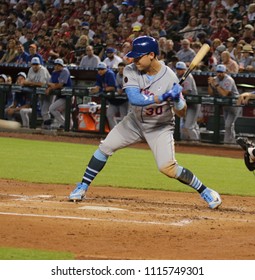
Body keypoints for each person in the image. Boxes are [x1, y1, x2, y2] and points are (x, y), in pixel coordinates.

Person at [69, 36, 222, 209]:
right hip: (133, 122)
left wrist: (178, 100)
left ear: (151, 55)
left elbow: (181, 112)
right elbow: (134, 99)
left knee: (168, 169)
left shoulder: (170, 77)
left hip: (159, 127)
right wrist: (163, 96)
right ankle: (82, 186)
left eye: (138, 57)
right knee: (105, 148)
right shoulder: (130, 70)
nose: (134, 60)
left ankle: (205, 191)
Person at [208, 64, 241, 144]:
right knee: (229, 126)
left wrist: (216, 85)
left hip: (234, 104)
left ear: (225, 72)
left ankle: (227, 143)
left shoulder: (228, 79)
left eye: (221, 72)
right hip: (225, 105)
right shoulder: (215, 79)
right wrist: (209, 84)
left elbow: (224, 94)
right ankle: (232, 143)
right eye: (218, 72)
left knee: (228, 125)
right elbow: (211, 94)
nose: (219, 74)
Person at [22, 57, 51, 127]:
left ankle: (49, 126)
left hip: (49, 92)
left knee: (45, 111)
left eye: (36, 64)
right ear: (31, 65)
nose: (35, 66)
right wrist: (32, 83)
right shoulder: (31, 70)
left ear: (39, 64)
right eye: (33, 64)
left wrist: (31, 83)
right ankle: (47, 125)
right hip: (41, 93)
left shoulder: (43, 70)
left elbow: (42, 84)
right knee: (43, 111)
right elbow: (25, 82)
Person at [175, 62, 200, 141]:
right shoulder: (176, 77)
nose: (178, 71)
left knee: (188, 126)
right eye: (177, 69)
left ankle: (196, 144)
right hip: (185, 104)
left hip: (193, 104)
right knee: (183, 126)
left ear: (184, 70)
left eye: (180, 69)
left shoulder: (188, 76)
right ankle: (186, 144)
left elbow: (187, 92)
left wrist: (177, 89)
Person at [46, 58, 72, 130]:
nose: (57, 66)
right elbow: (49, 83)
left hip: (67, 96)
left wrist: (51, 87)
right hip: (60, 96)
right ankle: (69, 127)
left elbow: (60, 85)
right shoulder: (54, 72)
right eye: (56, 65)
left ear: (62, 66)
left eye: (59, 65)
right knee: (65, 114)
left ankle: (65, 124)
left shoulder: (65, 71)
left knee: (52, 109)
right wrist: (51, 86)